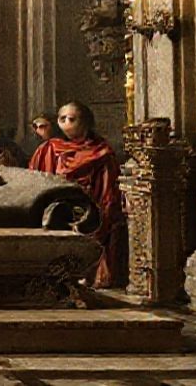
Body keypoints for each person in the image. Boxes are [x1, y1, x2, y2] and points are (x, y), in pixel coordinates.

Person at [29, 101, 123, 288]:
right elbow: (34, 181)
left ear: (86, 122)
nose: (66, 123)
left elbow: (107, 188)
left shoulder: (101, 152)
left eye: (71, 119)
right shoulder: (49, 148)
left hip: (91, 208)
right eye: (62, 119)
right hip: (57, 208)